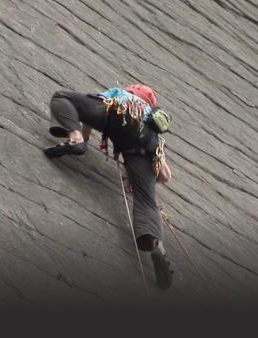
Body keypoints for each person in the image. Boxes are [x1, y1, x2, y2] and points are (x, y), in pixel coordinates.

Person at [43, 84, 173, 289]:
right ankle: (157, 246)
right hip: (142, 145)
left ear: (132, 91)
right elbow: (165, 175)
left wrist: (81, 138)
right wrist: (137, 175)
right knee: (147, 201)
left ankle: (73, 139)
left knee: (62, 97)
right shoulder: (152, 125)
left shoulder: (120, 95)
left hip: (117, 113)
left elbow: (90, 113)